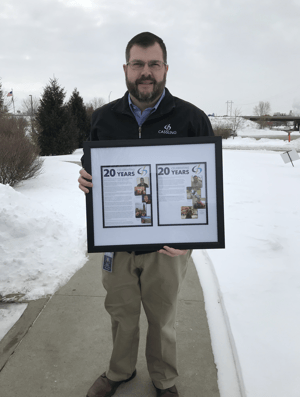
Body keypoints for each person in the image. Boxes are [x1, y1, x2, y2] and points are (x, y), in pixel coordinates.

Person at [78, 32, 214, 397]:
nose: (146, 72)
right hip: (118, 244)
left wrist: (192, 239)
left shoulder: (190, 119)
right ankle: (119, 371)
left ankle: (164, 378)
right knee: (121, 314)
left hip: (167, 249)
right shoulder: (104, 118)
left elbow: (203, 184)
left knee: (163, 318)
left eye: (154, 64)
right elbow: (94, 169)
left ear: (165, 68)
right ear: (126, 68)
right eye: (138, 64)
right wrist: (87, 179)